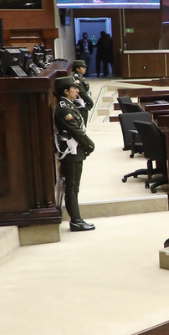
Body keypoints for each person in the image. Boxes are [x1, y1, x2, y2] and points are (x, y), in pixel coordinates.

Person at [53, 76, 95, 232]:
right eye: (74, 88)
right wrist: (89, 143)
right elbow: (75, 130)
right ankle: (76, 221)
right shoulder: (64, 108)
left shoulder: (68, 105)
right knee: (72, 188)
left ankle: (77, 220)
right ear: (66, 91)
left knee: (73, 187)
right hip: (72, 151)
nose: (78, 90)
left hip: (76, 150)